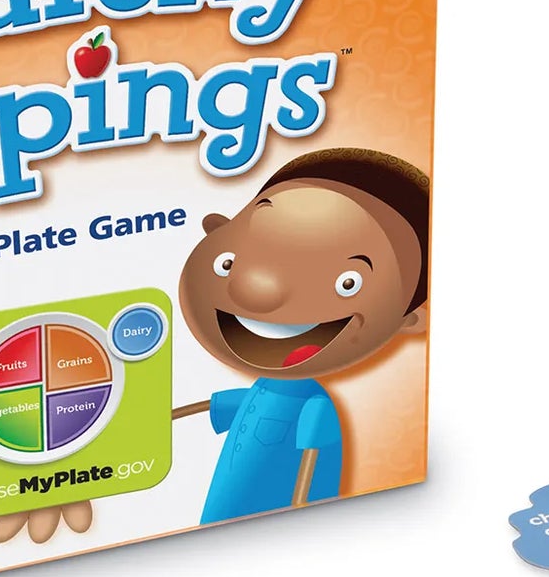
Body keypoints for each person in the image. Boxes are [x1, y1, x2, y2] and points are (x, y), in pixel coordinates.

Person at [177, 147, 429, 523]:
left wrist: (299, 523)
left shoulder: (316, 407)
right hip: (219, 515)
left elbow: (308, 471)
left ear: (409, 319)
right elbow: (212, 408)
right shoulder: (262, 390)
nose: (258, 292)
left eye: (348, 282)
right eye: (231, 260)